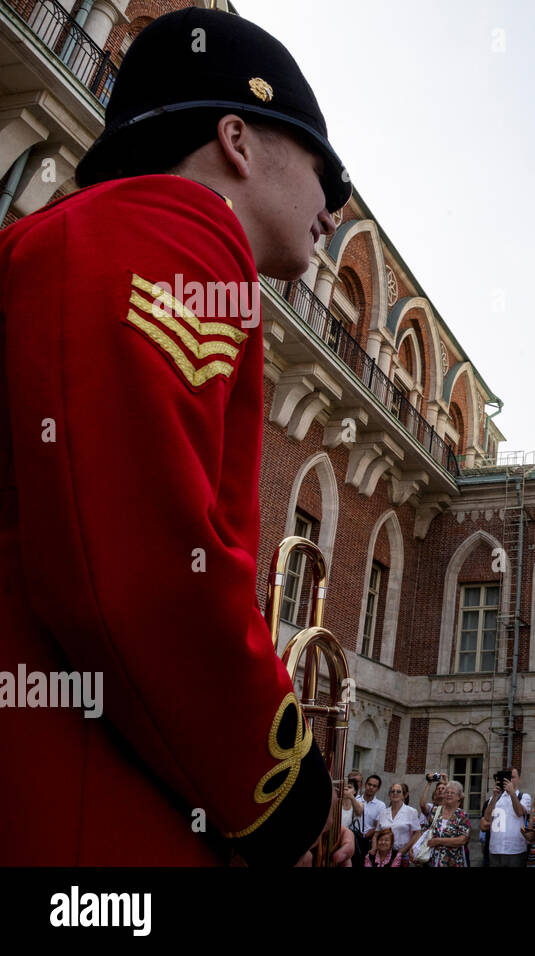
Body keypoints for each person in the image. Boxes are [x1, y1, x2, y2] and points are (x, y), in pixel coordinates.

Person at [0, 7, 352, 866]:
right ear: (237, 138)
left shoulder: (93, 231)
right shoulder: (169, 234)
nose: (332, 208)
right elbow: (132, 564)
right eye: (324, 168)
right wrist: (279, 791)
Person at [480, 768, 531, 866]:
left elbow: (519, 812)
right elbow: (487, 817)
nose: (510, 780)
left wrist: (512, 793)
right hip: (495, 849)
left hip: (516, 850)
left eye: (512, 777)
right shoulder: (495, 797)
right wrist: (494, 796)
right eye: (507, 777)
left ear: (518, 779)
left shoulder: (524, 796)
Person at [426, 781, 472, 868]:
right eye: (447, 792)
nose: (449, 794)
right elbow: (426, 829)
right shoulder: (436, 810)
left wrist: (438, 841)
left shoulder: (462, 815)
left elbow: (462, 840)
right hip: (433, 860)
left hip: (453, 861)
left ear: (458, 797)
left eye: (452, 793)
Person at [376, 783, 422, 862]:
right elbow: (376, 834)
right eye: (392, 791)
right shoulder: (383, 813)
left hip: (403, 855)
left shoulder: (411, 811)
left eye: (398, 791)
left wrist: (403, 851)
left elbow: (417, 833)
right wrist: (374, 849)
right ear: (389, 794)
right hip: (383, 854)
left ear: (404, 795)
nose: (395, 793)